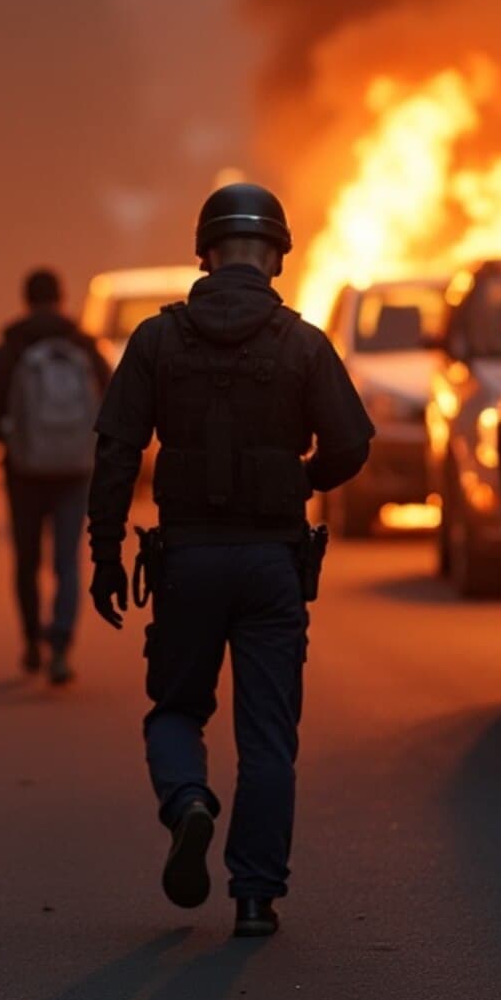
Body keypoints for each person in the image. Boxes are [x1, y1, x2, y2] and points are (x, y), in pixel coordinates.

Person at [85, 182, 372, 939]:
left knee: (177, 708)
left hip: (186, 564)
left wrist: (106, 553)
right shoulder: (303, 342)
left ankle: (189, 803)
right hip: (273, 565)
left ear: (205, 255)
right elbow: (351, 445)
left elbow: (116, 450)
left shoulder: (155, 340)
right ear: (276, 255)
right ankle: (254, 895)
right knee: (269, 734)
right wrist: (299, 480)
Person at [0, 268, 109, 685]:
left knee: (27, 560)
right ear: (62, 297)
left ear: (26, 299)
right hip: (75, 469)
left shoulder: (10, 347)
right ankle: (62, 644)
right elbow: (115, 400)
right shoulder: (83, 344)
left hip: (24, 469)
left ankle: (32, 640)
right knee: (67, 561)